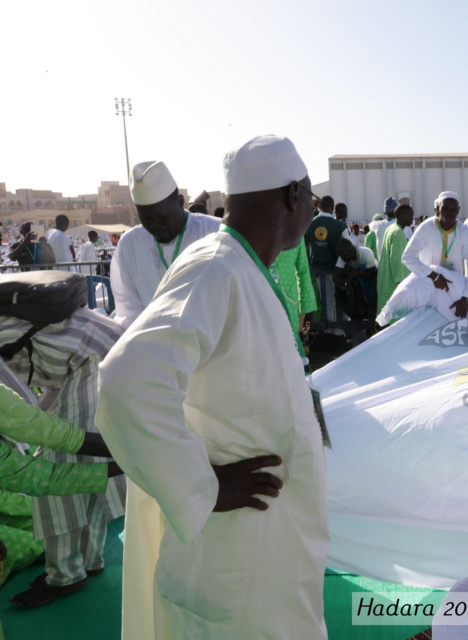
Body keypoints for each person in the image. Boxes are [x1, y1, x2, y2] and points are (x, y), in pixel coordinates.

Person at [96, 134, 330, 639]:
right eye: (310, 196)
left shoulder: (242, 265)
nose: (313, 207)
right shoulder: (216, 267)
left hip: (265, 544)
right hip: (238, 549)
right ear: (294, 195)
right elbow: (125, 381)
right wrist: (201, 488)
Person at [0, 309, 126, 608]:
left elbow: (24, 414)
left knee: (59, 474)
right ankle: (87, 559)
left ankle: (66, 574)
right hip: (99, 354)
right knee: (82, 462)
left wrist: (116, 452)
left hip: (90, 362)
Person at [112, 160, 221, 329]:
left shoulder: (214, 232)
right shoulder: (130, 244)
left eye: (162, 217)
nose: (155, 225)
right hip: (155, 346)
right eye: (147, 219)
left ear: (180, 202)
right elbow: (128, 310)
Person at [402, 191, 468, 319]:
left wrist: (466, 298)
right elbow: (407, 257)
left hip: (453, 294)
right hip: (427, 289)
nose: (449, 212)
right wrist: (433, 276)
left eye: (453, 209)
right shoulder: (426, 227)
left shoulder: (463, 231)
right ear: (437, 209)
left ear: (458, 210)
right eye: (445, 208)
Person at [305, 194, 346, 324]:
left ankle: (323, 328)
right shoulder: (339, 226)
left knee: (320, 300)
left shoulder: (309, 224)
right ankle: (334, 331)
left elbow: (304, 246)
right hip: (335, 270)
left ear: (320, 206)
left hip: (315, 270)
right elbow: (349, 248)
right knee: (336, 299)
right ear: (332, 208)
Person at [376, 203, 413, 314]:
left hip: (385, 279)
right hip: (393, 284)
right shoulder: (398, 233)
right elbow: (397, 262)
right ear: (402, 216)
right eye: (410, 216)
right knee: (394, 321)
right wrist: (402, 285)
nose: (412, 219)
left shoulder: (391, 228)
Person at [334, 237, 377, 320]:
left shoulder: (366, 253)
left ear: (351, 251)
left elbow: (371, 273)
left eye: (344, 257)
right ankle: (358, 314)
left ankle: (372, 317)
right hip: (358, 277)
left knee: (362, 269)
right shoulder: (343, 257)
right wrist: (347, 283)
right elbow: (335, 277)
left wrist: (359, 273)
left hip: (370, 275)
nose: (343, 259)